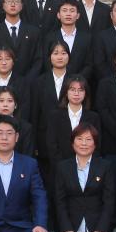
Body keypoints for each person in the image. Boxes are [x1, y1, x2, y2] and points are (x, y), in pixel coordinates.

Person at [31, 40, 71, 180]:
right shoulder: (39, 82)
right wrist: (34, 143)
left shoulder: (75, 81)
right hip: (44, 139)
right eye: (55, 53)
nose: (60, 57)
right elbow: (34, 114)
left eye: (63, 53)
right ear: (49, 57)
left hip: (69, 139)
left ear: (69, 56)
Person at [0, 0, 42, 80]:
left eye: (17, 1)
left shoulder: (33, 32)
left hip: (28, 82)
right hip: (1, 82)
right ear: (3, 5)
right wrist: (1, 79)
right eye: (9, 1)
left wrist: (27, 81)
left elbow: (38, 60)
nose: (13, 4)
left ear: (22, 5)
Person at [45, 75, 101, 162]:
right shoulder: (55, 116)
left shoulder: (94, 117)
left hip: (87, 165)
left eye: (80, 90)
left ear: (85, 93)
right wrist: (63, 166)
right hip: (60, 165)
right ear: (66, 92)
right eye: (72, 90)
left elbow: (96, 145)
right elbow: (51, 145)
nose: (76, 94)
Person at [43, 0, 93, 81]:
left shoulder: (87, 38)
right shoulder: (49, 38)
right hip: (55, 82)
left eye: (72, 11)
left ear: (78, 15)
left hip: (79, 83)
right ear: (58, 15)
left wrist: (77, 80)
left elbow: (89, 64)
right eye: (64, 10)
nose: (68, 14)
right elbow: (46, 62)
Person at [0, 88, 35, 157]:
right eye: (1, 101)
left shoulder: (26, 128)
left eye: (10, 101)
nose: (5, 105)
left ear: (15, 105)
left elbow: (28, 157)